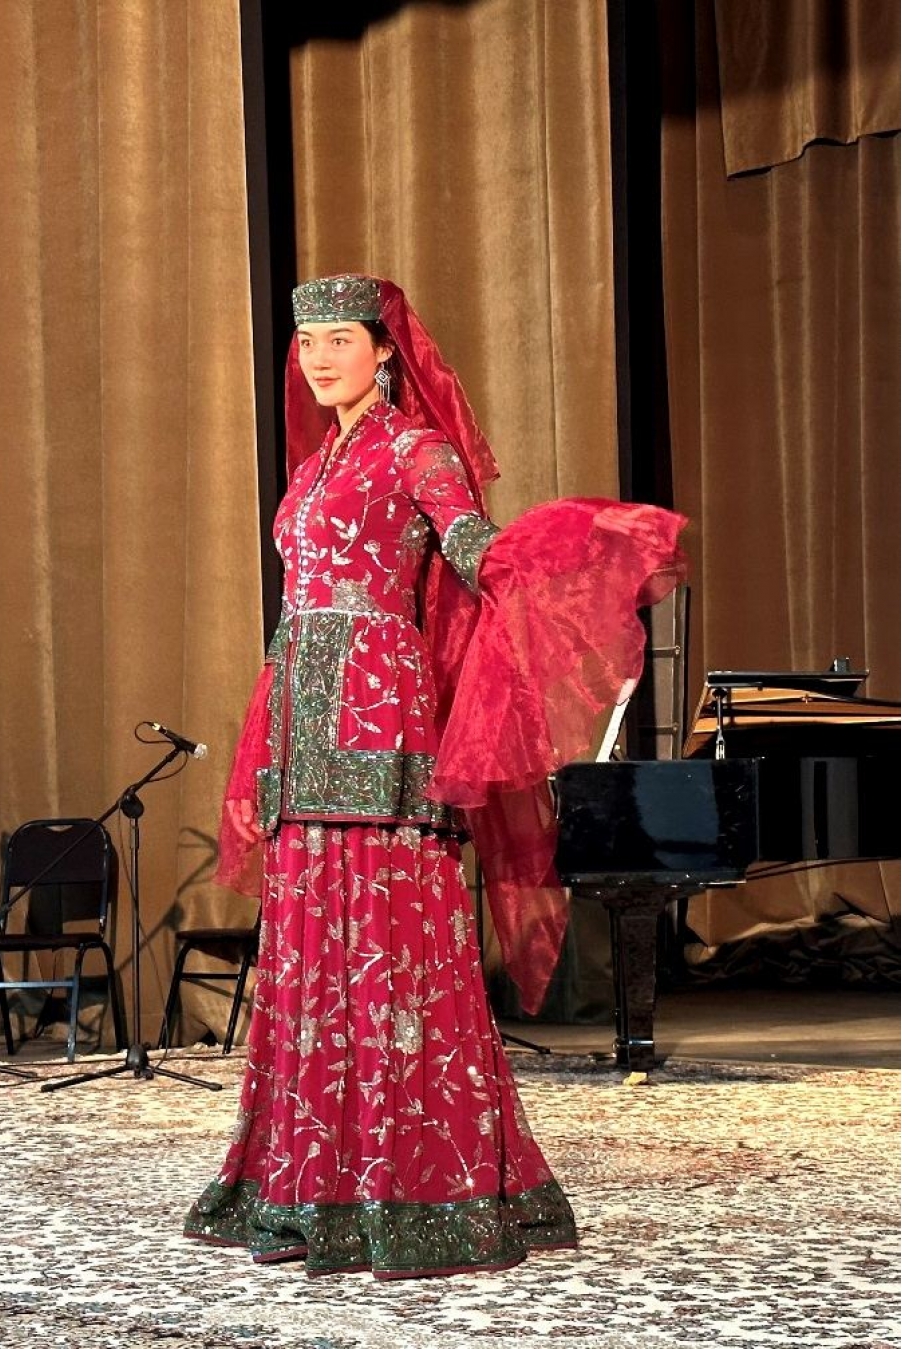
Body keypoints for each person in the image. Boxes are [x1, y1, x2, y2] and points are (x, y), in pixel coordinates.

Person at [183, 273, 686, 1279]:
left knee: (392, 948)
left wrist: (569, 554)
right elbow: (294, 615)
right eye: (307, 343)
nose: (319, 359)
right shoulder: (312, 467)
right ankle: (307, 1186)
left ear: (384, 350)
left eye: (339, 339)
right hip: (301, 714)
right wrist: (260, 743)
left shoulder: (417, 448)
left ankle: (418, 1183)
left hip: (381, 716)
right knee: (311, 956)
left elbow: (470, 552)